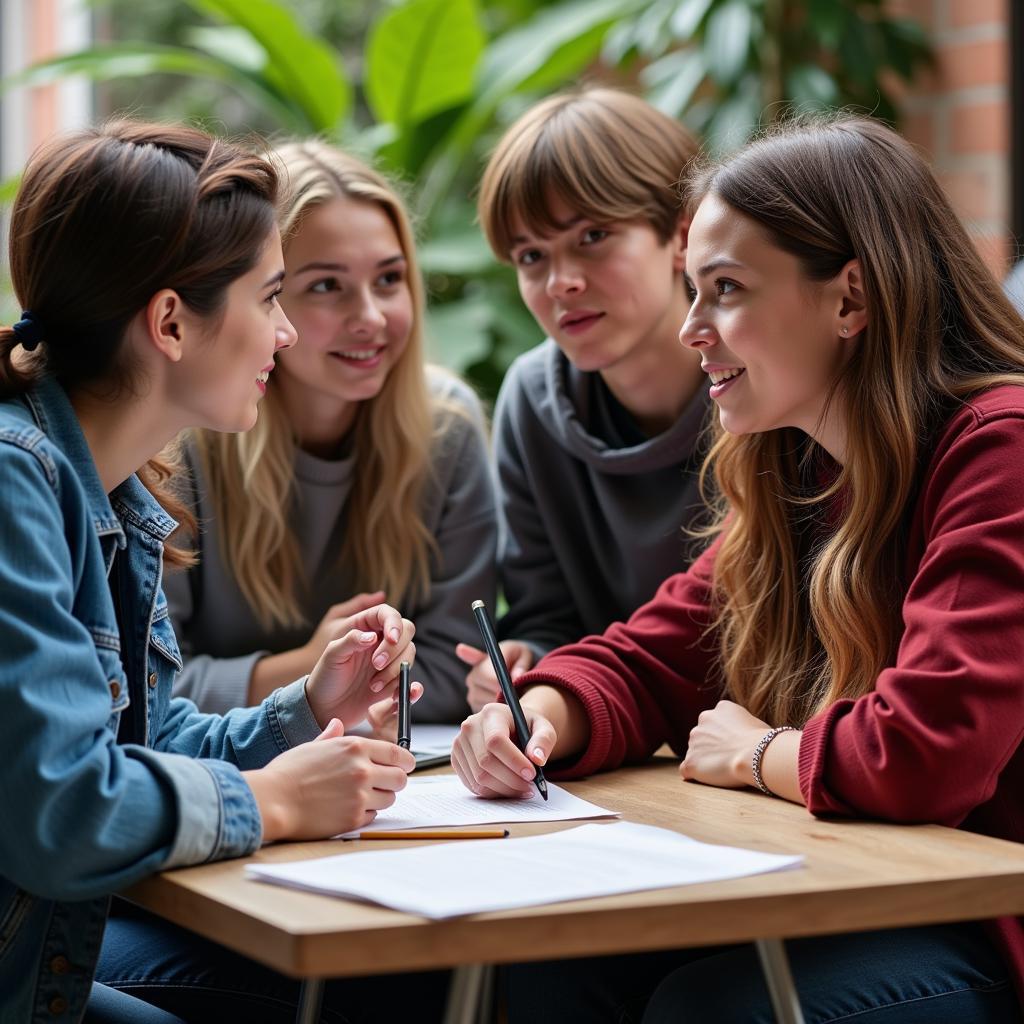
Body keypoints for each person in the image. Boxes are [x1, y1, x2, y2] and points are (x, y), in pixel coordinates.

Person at [452, 114, 1024, 1022]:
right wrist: (539, 719)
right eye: (692, 291)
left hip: (988, 925)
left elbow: (927, 752)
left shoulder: (999, 449)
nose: (691, 331)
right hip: (855, 893)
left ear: (849, 299)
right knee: (538, 974)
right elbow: (654, 656)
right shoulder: (797, 466)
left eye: (724, 290)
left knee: (711, 1011)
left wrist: (762, 754)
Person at [0, 121, 446, 1024]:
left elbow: (139, 747)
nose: (284, 333)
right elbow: (63, 816)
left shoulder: (110, 493)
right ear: (170, 322)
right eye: (273, 295)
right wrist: (270, 803)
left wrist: (308, 710)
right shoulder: (16, 481)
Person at [166, 140, 495, 725]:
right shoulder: (183, 437)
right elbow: (150, 687)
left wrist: (312, 680)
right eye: (326, 286)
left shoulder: (448, 426)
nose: (370, 317)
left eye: (389, 279)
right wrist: (311, 666)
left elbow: (454, 670)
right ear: (263, 298)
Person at [457, 88, 710, 712]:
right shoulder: (532, 399)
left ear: (681, 235)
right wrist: (526, 657)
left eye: (593, 235)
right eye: (531, 256)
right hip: (610, 744)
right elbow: (549, 616)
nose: (560, 282)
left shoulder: (762, 383)